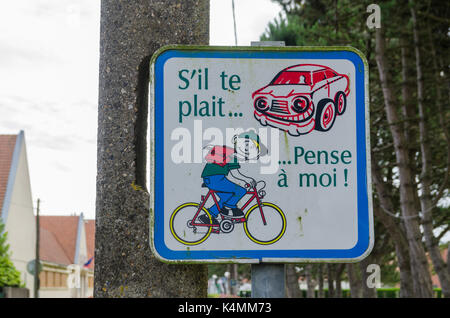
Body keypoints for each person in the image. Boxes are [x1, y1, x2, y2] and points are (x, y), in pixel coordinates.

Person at [199, 130, 268, 225]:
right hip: (215, 178)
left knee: (227, 197)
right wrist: (248, 180)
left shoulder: (231, 153)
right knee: (241, 191)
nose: (247, 149)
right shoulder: (231, 154)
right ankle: (228, 209)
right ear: (236, 140)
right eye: (246, 144)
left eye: (252, 147)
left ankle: (208, 216)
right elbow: (235, 174)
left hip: (212, 178)